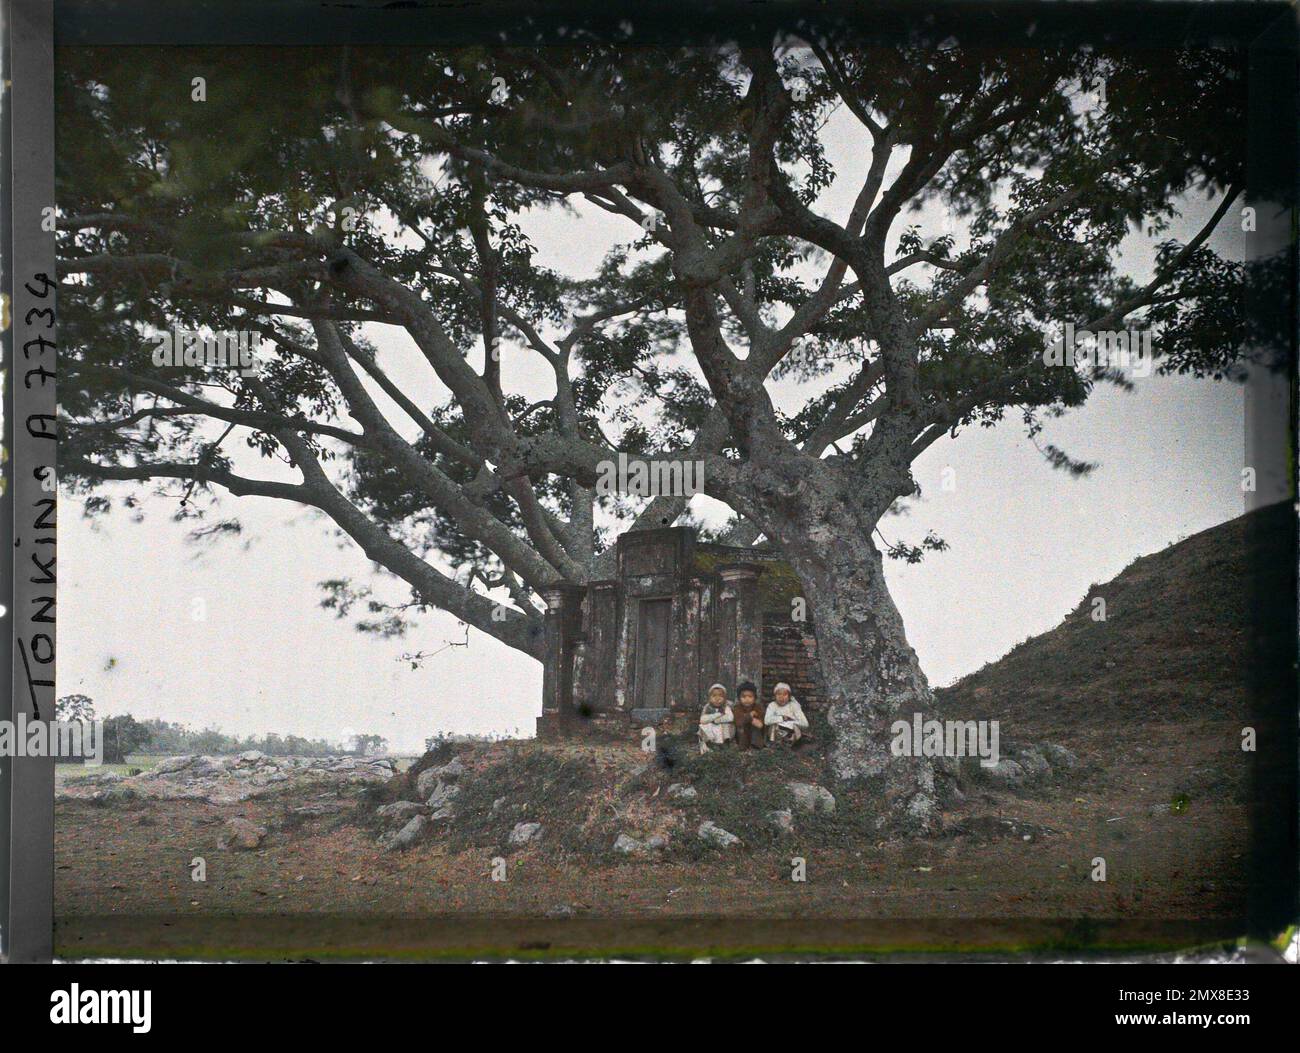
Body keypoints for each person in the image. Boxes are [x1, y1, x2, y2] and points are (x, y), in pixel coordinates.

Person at [697, 683, 734, 754]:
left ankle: (724, 743)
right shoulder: (707, 707)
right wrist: (716, 715)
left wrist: (718, 720)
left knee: (726, 726)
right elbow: (702, 720)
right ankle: (710, 743)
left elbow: (730, 717)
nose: (717, 698)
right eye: (714, 696)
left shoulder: (726, 706)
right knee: (704, 726)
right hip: (712, 726)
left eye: (720, 696)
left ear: (725, 698)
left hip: (722, 726)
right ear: (710, 698)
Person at [732, 681, 766, 750]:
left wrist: (754, 721)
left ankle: (755, 746)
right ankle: (742, 748)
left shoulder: (758, 707)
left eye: (750, 696)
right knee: (741, 728)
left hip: (754, 733)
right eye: (743, 697)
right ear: (739, 698)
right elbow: (739, 722)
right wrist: (750, 716)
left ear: (755, 698)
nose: (747, 699)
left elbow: (760, 724)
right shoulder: (737, 708)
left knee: (755, 726)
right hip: (742, 734)